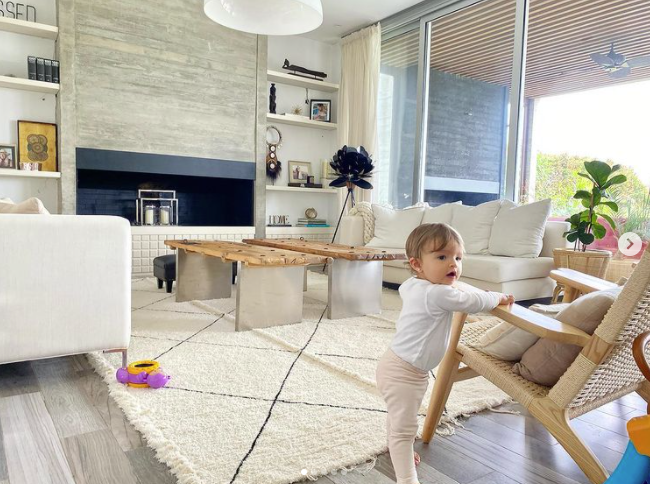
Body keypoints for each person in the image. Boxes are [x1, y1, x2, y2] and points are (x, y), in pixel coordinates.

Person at [376, 223, 514, 484]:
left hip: (397, 365)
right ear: (417, 264)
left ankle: (398, 450)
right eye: (442, 257)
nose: (453, 264)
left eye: (458, 258)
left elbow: (459, 291)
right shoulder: (437, 293)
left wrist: (460, 284)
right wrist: (498, 296)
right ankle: (407, 478)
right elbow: (473, 302)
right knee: (404, 429)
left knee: (399, 418)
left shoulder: (412, 285)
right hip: (404, 374)